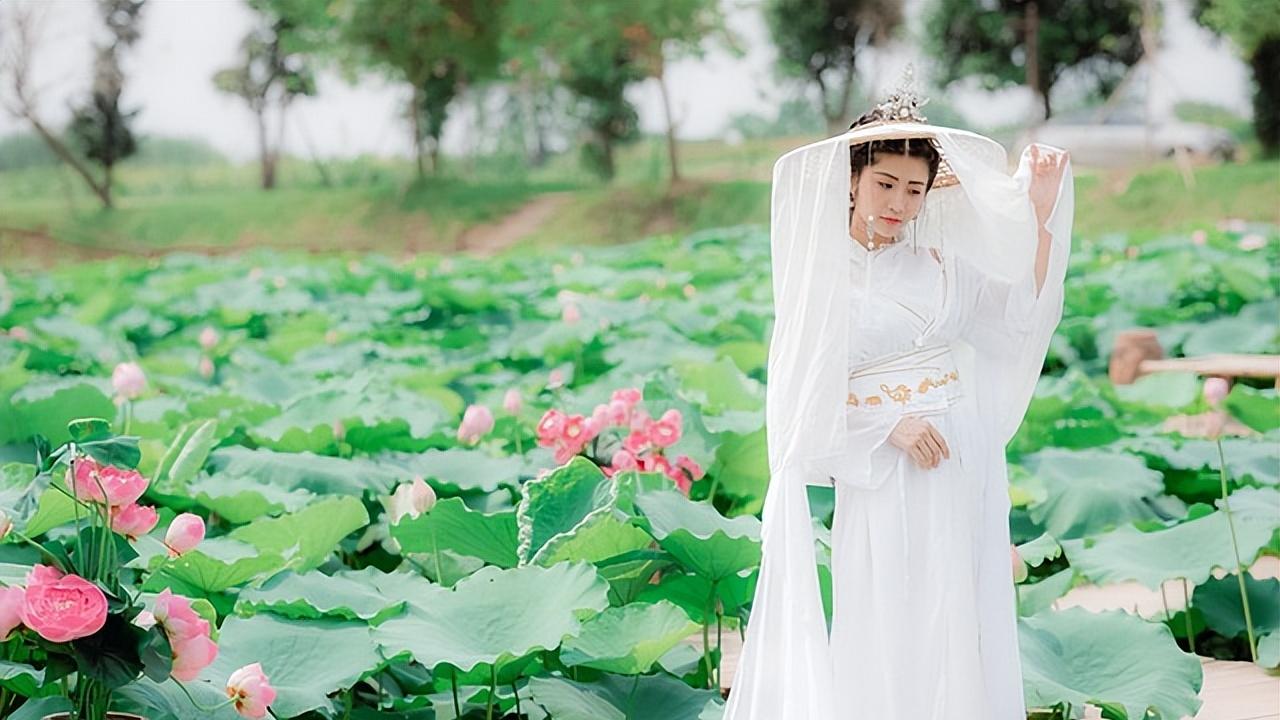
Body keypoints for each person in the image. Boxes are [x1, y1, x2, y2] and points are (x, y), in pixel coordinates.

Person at [721, 67, 1073, 720]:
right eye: (885, 183)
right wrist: (887, 426)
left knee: (956, 608)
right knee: (889, 606)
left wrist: (1041, 214)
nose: (899, 202)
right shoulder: (821, 280)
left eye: (914, 189)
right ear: (852, 179)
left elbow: (1016, 316)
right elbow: (799, 408)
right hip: (883, 469)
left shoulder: (939, 266)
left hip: (960, 458)